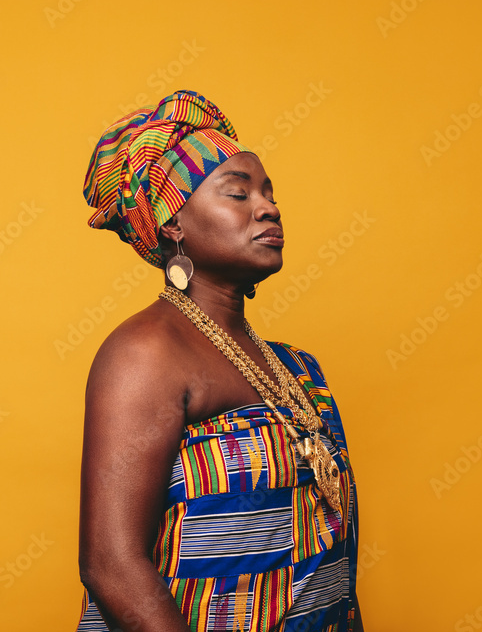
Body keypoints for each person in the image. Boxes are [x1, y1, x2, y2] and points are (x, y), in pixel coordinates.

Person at [75, 90, 362, 632]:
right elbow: (111, 564)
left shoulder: (298, 369)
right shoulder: (146, 354)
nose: (268, 207)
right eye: (237, 193)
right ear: (173, 226)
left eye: (268, 193)